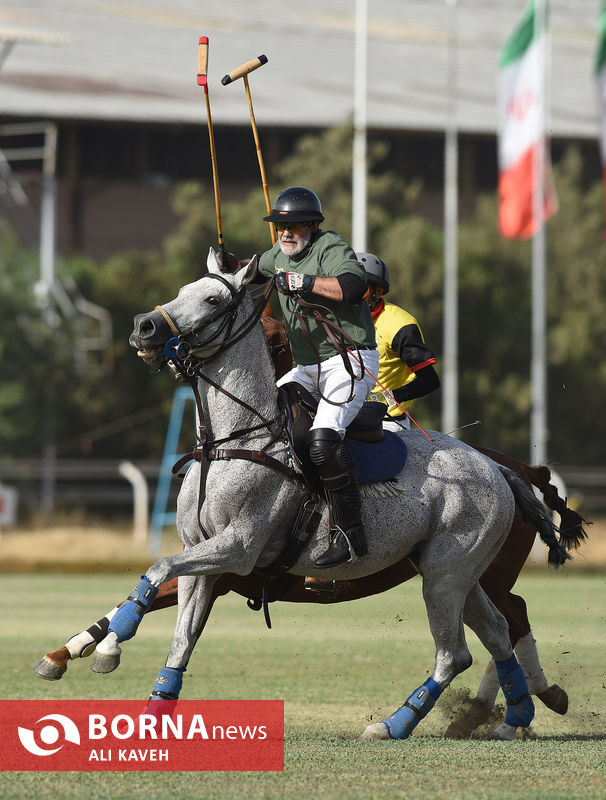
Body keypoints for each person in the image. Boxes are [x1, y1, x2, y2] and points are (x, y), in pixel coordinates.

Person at [254, 186, 379, 569]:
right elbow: (254, 268)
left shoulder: (330, 247)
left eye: (293, 227)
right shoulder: (277, 253)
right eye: (280, 227)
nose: (285, 234)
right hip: (308, 368)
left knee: (323, 441)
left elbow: (354, 286)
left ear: (311, 225)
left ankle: (351, 533)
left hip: (349, 359)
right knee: (264, 422)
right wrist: (230, 264)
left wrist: (303, 282)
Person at [356, 252, 439, 430]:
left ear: (377, 292)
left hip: (385, 423)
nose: (350, 294)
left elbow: (429, 380)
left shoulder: (401, 325)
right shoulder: (332, 316)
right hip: (341, 414)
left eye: (359, 288)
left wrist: (390, 396)